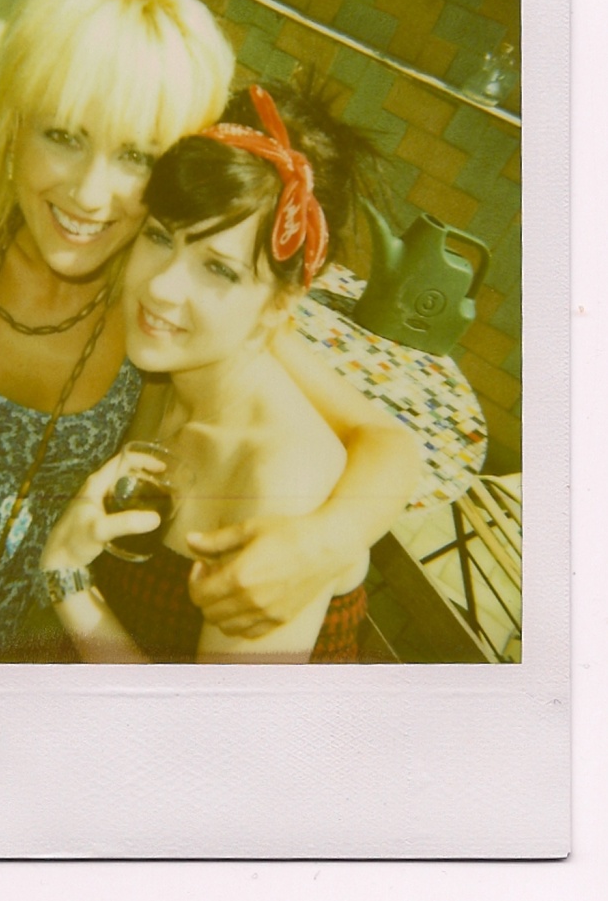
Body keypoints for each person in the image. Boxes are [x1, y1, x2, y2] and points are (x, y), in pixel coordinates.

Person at [0, 0, 417, 663]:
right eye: (63, 135)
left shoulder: (156, 304)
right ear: (14, 126)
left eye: (137, 156)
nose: (90, 194)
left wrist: (325, 543)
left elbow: (384, 438)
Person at [38, 85, 374, 661]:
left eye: (218, 269)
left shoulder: (278, 482)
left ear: (279, 304)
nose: (162, 287)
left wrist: (66, 578)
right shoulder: (163, 378)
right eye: (159, 236)